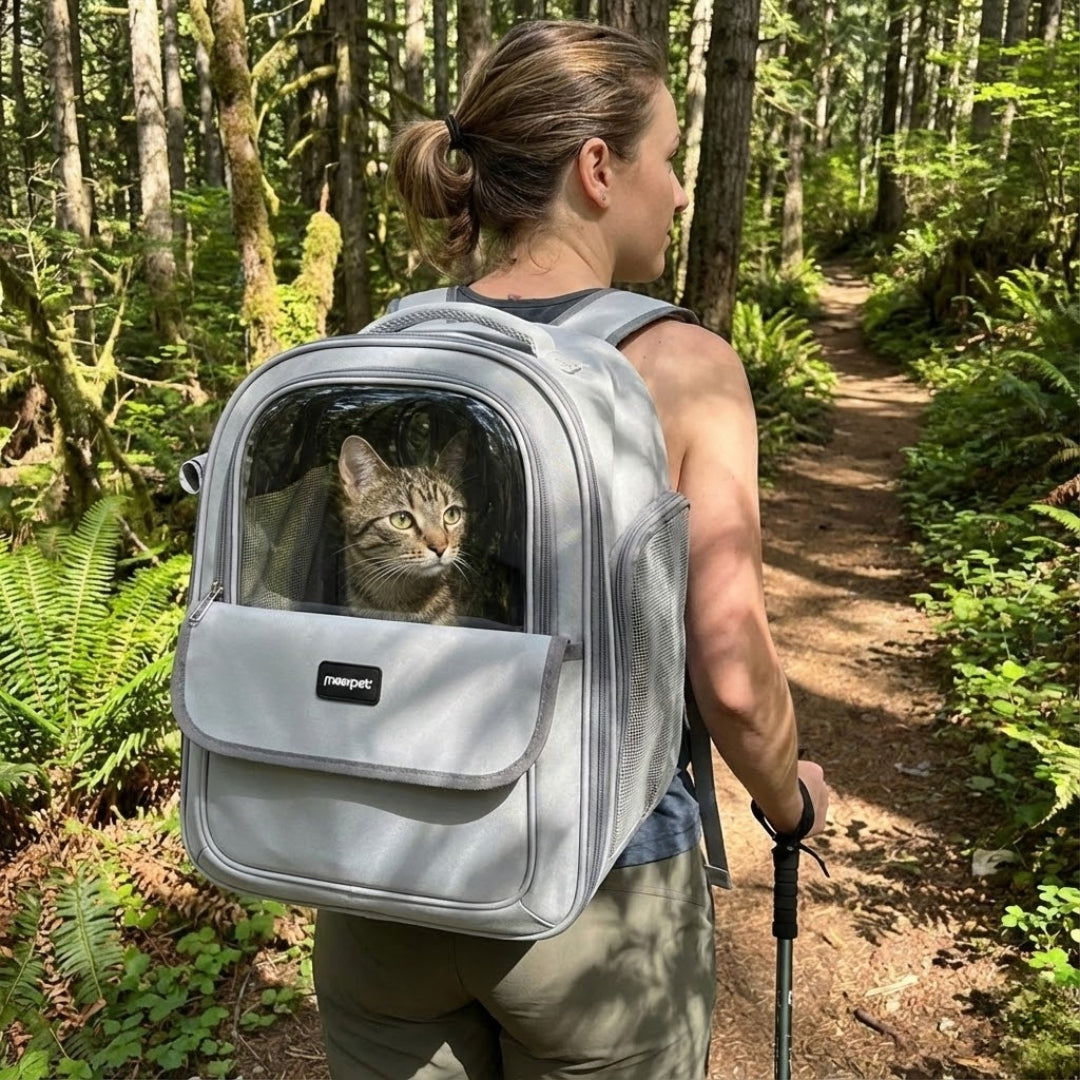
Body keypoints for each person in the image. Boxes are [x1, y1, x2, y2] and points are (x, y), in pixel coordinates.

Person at [313, 19, 830, 1080]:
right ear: (598, 168)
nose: (680, 193)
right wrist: (790, 801)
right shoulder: (682, 363)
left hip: (378, 880)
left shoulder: (389, 343)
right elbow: (732, 677)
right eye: (670, 159)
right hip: (595, 901)